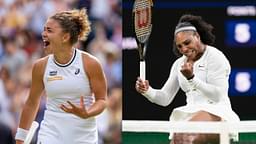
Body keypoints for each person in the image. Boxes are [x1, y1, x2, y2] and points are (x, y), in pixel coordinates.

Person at [135, 14, 240, 144]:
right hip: (190, 113)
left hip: (219, 114)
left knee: (185, 137)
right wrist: (147, 91)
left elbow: (217, 96)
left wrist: (191, 78)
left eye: (187, 43)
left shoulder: (215, 57)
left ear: (197, 36)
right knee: (177, 140)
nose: (184, 49)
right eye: (179, 46)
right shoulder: (178, 64)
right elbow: (165, 98)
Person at [15, 8, 107, 144]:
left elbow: (102, 100)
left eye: (49, 30)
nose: (43, 34)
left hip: (83, 137)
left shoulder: (90, 63)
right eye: (44, 29)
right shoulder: (40, 66)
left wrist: (87, 112)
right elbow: (31, 103)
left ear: (65, 37)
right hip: (50, 135)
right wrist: (20, 137)